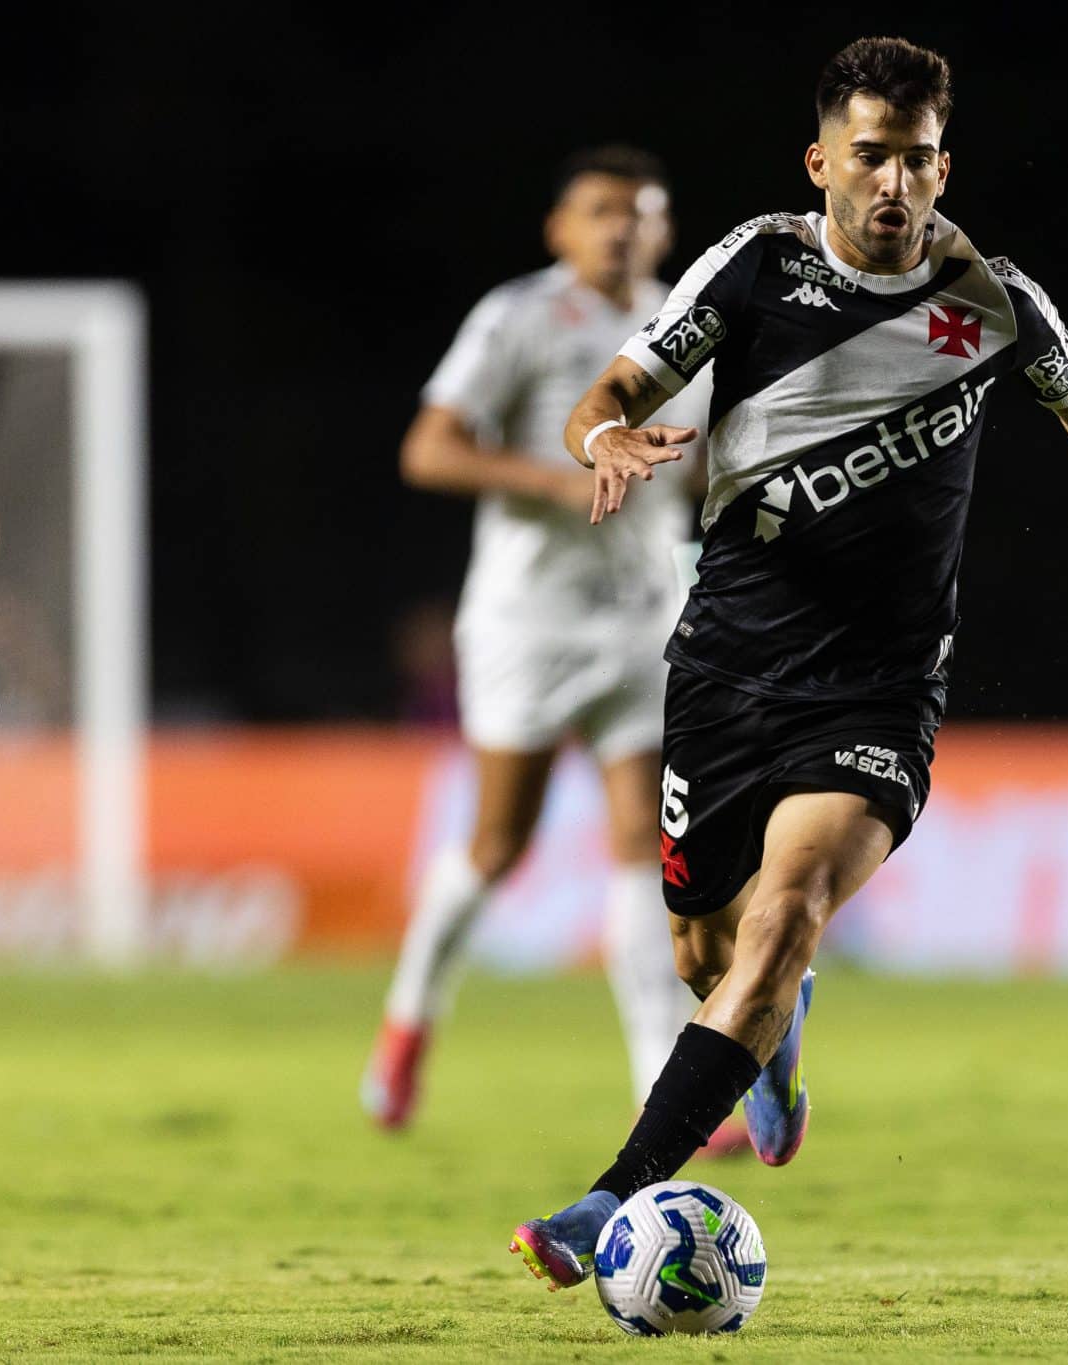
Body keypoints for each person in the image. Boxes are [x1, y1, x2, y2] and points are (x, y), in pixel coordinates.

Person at [508, 37, 1068, 1288]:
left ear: (942, 166)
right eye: (868, 156)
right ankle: (778, 1040)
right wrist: (604, 438)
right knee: (704, 954)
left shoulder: (991, 300)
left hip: (878, 688)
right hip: (724, 668)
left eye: (916, 159)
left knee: (784, 920)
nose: (893, 184)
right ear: (819, 163)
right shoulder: (754, 267)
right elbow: (612, 387)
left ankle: (612, 1198)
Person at [361, 148, 746, 1156]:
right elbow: (427, 448)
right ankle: (409, 1019)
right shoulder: (517, 317)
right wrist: (557, 480)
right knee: (498, 844)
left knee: (644, 847)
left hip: (643, 618)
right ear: (559, 230)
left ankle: (660, 1086)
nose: (619, 227)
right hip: (527, 618)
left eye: (638, 212)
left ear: (664, 232)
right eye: (600, 210)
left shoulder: (689, 323)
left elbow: (698, 466)